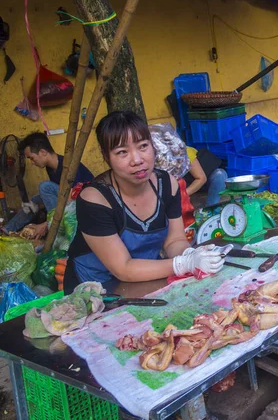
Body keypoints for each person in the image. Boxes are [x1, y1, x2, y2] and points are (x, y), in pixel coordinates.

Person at [63, 111, 225, 293]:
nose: (137, 160)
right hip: (93, 289)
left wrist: (191, 254)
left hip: (143, 280)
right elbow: (123, 268)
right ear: (106, 156)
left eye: (143, 146)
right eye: (122, 152)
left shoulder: (167, 184)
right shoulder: (95, 199)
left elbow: (175, 240)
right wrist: (184, 264)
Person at [3, 132, 94, 236]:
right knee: (34, 200)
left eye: (32, 158)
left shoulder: (68, 166)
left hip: (85, 204)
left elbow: (71, 201)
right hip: (68, 199)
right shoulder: (50, 168)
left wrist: (46, 224)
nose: (32, 163)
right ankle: (6, 229)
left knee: (45, 187)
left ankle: (56, 230)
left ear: (43, 152)